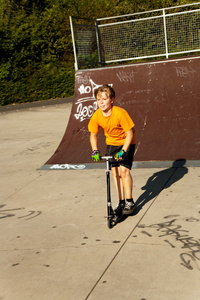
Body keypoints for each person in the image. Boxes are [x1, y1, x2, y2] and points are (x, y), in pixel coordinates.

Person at [88, 84, 136, 217]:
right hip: (112, 144)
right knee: (115, 172)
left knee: (124, 171)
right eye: (98, 99)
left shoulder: (120, 113)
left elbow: (130, 133)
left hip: (127, 142)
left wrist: (124, 151)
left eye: (104, 99)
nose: (101, 102)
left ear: (112, 100)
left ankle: (129, 201)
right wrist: (95, 150)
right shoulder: (97, 116)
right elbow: (93, 134)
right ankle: (121, 202)